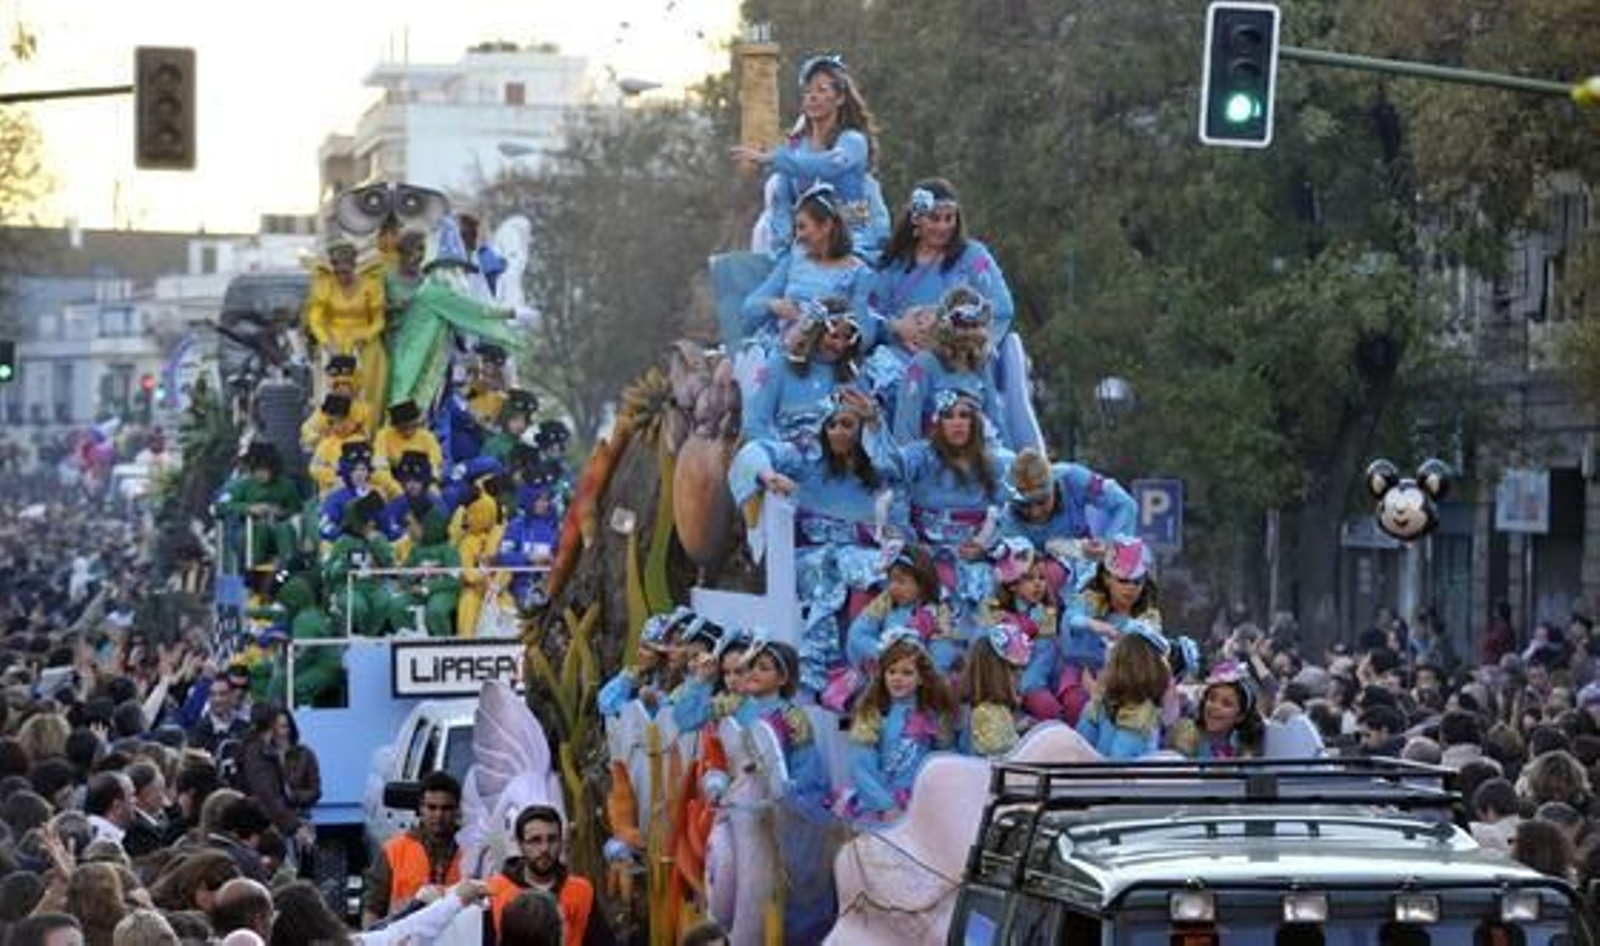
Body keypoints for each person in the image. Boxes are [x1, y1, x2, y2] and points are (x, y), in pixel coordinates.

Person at [730, 388, 899, 693]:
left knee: (881, 570)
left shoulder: (878, 471)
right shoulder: (805, 461)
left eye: (847, 425)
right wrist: (768, 476)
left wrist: (874, 420)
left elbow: (895, 468)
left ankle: (870, 666)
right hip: (812, 561)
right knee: (851, 567)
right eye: (831, 425)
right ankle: (841, 673)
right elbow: (753, 452)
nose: (837, 432)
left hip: (863, 560)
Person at [735, 53, 890, 261]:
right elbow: (781, 204)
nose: (812, 96)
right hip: (806, 249)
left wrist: (774, 159)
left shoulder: (853, 141)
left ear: (840, 97)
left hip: (854, 246)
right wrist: (783, 252)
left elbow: (829, 166)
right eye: (807, 91)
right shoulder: (796, 148)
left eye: (822, 90)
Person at [896, 385, 1012, 616]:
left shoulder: (997, 462)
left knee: (991, 589)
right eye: (948, 416)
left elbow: (1008, 512)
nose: (957, 423)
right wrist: (913, 547)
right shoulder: (918, 456)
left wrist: (985, 547)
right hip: (928, 556)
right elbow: (890, 488)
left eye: (964, 416)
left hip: (978, 557)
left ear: (975, 422)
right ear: (937, 422)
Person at [870, 177, 1016, 351]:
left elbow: (1001, 306)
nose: (943, 226)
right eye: (934, 218)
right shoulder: (893, 263)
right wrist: (898, 327)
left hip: (958, 360)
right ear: (916, 218)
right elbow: (873, 315)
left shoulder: (975, 257)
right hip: (901, 360)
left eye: (949, 218)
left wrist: (947, 319)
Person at [738, 186, 876, 354]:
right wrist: (774, 305)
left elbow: (866, 336)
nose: (798, 235)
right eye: (796, 228)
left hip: (825, 356)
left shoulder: (859, 273)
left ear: (826, 226)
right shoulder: (795, 259)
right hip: (780, 348)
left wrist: (824, 325)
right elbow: (749, 306)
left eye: (802, 227)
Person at [838, 632, 956, 821]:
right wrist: (886, 805)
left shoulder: (933, 714)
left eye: (906, 672)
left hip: (923, 802)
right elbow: (861, 765)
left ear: (921, 678)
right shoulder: (872, 713)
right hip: (882, 805)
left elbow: (945, 759)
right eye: (891, 671)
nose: (897, 678)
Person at [998, 447, 1138, 595]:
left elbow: (1126, 505)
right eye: (1024, 505)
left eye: (1041, 501)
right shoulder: (1008, 516)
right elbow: (1017, 572)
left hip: (1085, 568)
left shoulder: (1073, 478)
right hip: (1040, 585)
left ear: (1054, 486)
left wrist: (1108, 543)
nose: (1035, 512)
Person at [740, 297, 872, 447]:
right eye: (834, 336)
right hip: (784, 464)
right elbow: (755, 423)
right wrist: (778, 458)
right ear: (816, 332)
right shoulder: (779, 366)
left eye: (847, 338)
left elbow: (868, 430)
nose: (840, 345)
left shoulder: (853, 375)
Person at [1059, 537, 1163, 726]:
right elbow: (1070, 619)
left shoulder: (1148, 616)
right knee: (1078, 703)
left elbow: (1150, 658)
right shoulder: (1091, 599)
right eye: (1123, 580)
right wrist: (1094, 624)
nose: (1131, 588)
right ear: (1107, 578)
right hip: (1080, 672)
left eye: (1137, 581)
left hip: (1126, 684)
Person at [893, 286, 1004, 445]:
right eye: (963, 326)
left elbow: (996, 421)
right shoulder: (922, 365)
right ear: (946, 326)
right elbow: (905, 429)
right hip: (934, 457)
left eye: (976, 325)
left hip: (978, 459)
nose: (970, 333)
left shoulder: (982, 365)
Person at [486, 806, 607, 946]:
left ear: (561, 841)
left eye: (552, 839)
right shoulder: (495, 891)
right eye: (535, 840)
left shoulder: (581, 891)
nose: (545, 848)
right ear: (520, 844)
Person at [362, 770, 464, 928]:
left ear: (457, 810)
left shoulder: (472, 851)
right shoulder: (394, 851)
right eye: (432, 807)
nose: (439, 814)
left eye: (446, 808)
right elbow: (372, 908)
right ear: (420, 809)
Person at [305, 235, 387, 426]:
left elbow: (379, 320)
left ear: (353, 266)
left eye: (346, 271)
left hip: (366, 346)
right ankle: (331, 441)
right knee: (332, 394)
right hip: (334, 345)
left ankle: (367, 438)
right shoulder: (325, 285)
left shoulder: (370, 285)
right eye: (337, 272)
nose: (342, 277)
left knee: (367, 395)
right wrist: (325, 342)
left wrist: (365, 337)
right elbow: (315, 318)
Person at [980, 539, 1065, 723]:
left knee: (1046, 706)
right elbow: (983, 648)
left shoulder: (1045, 613)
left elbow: (1044, 657)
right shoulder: (994, 608)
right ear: (1011, 584)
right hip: (997, 679)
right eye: (1029, 578)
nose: (1038, 584)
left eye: (1042, 578)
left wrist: (1023, 687)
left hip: (1030, 680)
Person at [845, 544, 955, 681]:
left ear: (922, 584)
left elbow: (943, 650)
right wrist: (882, 651)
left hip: (919, 679)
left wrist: (926, 672)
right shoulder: (884, 603)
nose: (893, 587)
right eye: (890, 580)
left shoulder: (936, 611)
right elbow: (857, 634)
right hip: (884, 675)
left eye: (901, 581)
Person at [1076, 621, 1172, 760]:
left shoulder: (1102, 707)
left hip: (1098, 779)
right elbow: (1117, 766)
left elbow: (1082, 755)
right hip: (1103, 779)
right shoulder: (1103, 707)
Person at [214, 443, 302, 571]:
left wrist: (280, 512)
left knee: (285, 530)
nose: (261, 474)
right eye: (257, 470)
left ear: (273, 468)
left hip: (276, 531)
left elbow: (297, 510)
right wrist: (249, 508)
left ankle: (287, 572)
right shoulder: (241, 485)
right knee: (258, 531)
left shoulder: (287, 486)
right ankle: (254, 575)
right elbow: (219, 506)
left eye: (265, 470)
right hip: (248, 534)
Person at [960, 621, 1033, 757]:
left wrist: (1017, 727)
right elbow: (1000, 753)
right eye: (1014, 669)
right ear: (993, 674)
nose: (1020, 675)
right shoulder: (987, 712)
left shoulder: (992, 709)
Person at [1169, 663, 1266, 759]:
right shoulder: (1187, 732)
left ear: (1240, 717)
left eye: (1226, 704)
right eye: (1211, 698)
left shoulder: (1242, 746)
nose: (1215, 706)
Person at [372, 400, 442, 493]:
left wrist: (424, 484)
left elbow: (434, 463)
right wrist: (394, 488)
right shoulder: (384, 435)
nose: (408, 431)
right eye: (404, 428)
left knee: (433, 493)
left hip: (421, 480)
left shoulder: (427, 437)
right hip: (393, 480)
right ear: (395, 426)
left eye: (413, 426)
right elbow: (379, 465)